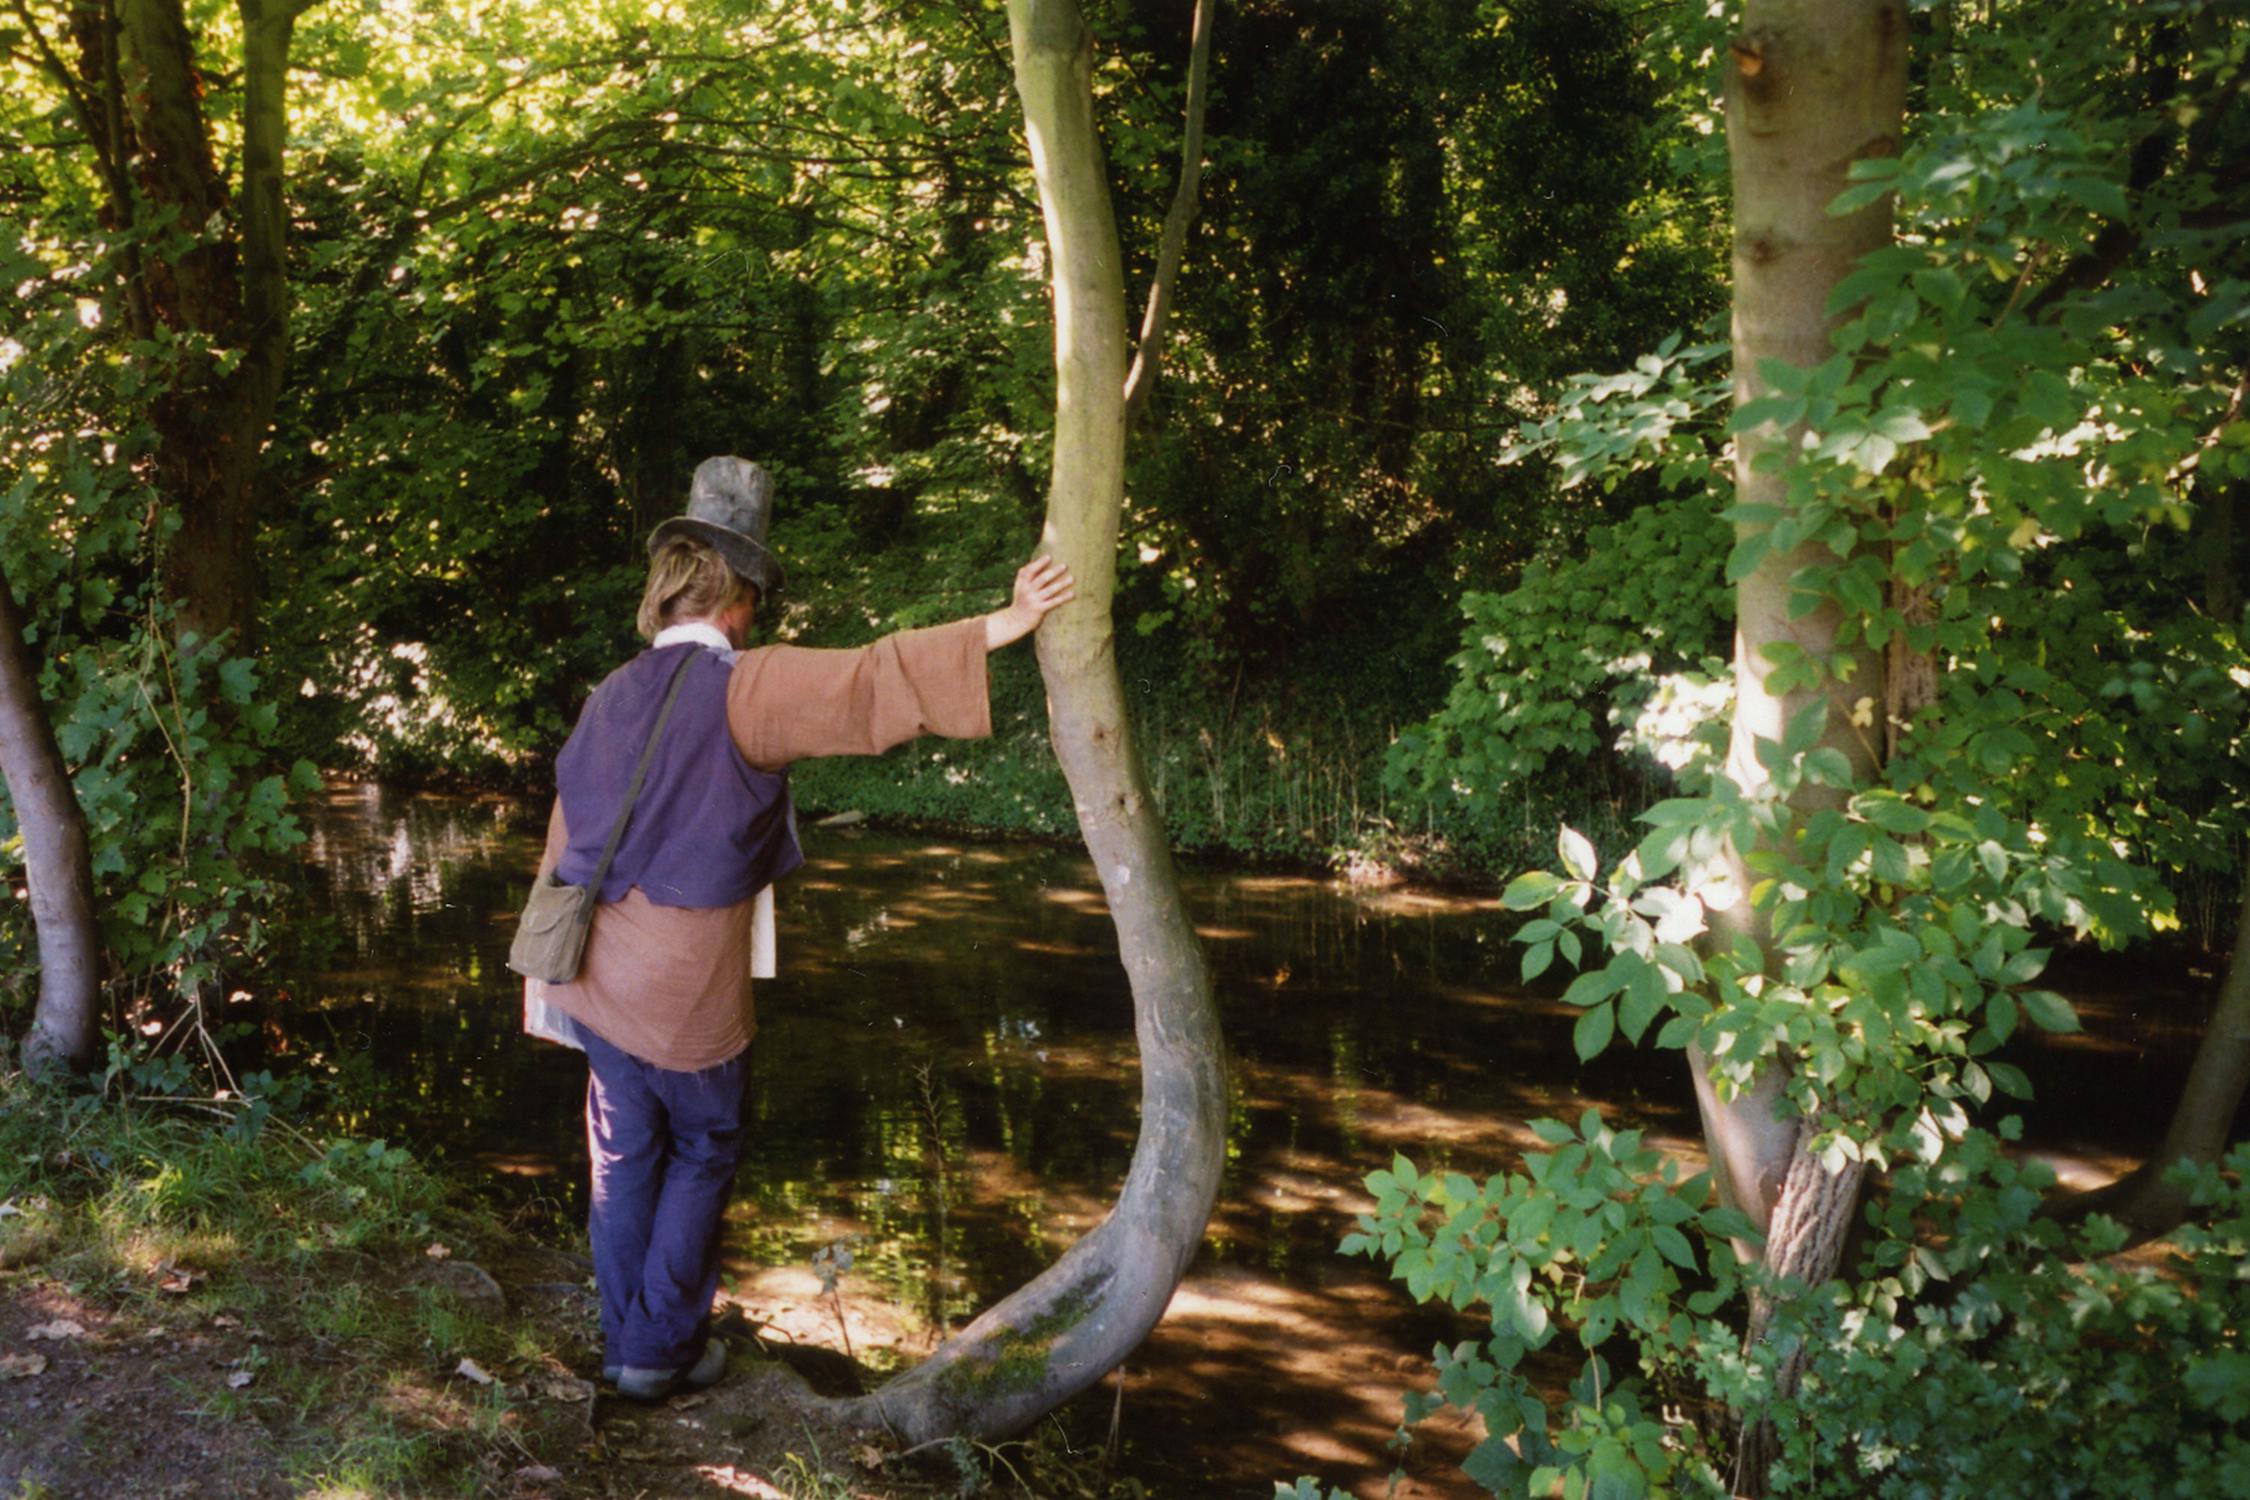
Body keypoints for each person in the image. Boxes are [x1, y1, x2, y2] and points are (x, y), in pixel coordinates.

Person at [520, 455, 1073, 1401]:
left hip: (594, 975)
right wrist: (1009, 623)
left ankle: (629, 1343)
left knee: (620, 1152)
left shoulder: (608, 694)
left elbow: (565, 841)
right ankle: (657, 1352)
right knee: (703, 1146)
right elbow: (872, 682)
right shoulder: (750, 684)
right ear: (739, 596)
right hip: (685, 987)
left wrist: (544, 989)